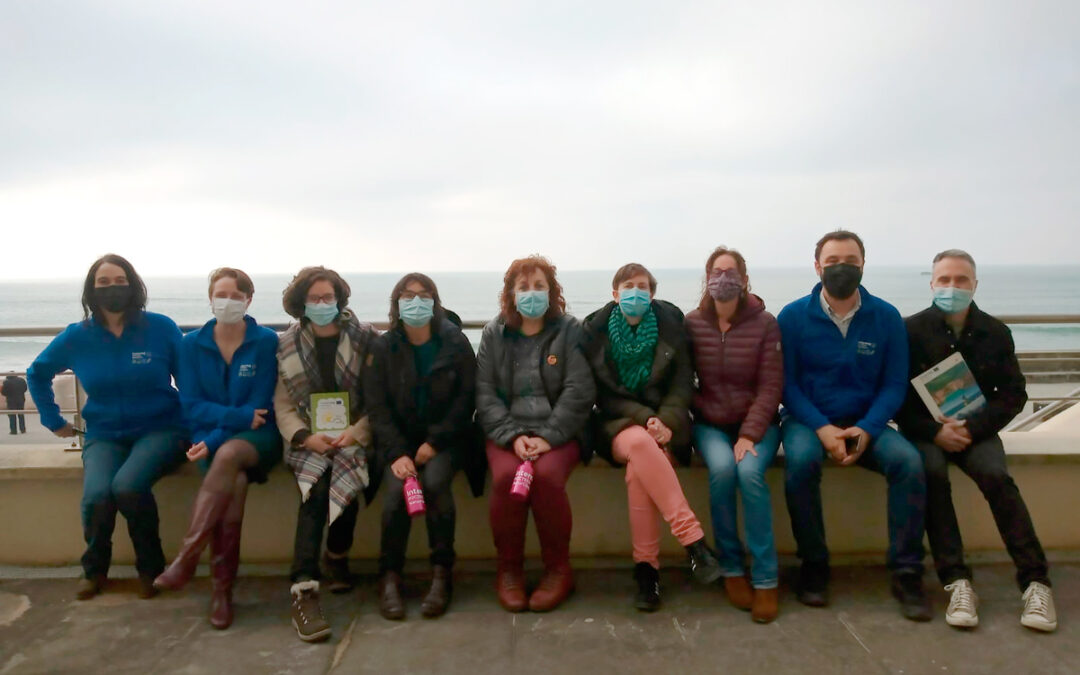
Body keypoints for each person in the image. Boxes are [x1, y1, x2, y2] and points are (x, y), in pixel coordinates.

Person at [898, 249, 1056, 632]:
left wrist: (972, 428)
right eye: (945, 280)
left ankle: (1036, 582)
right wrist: (935, 431)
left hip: (978, 430)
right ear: (932, 283)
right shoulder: (909, 331)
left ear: (975, 285)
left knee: (997, 478)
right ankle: (957, 581)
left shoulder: (996, 332)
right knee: (932, 475)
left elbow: (1014, 394)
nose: (952, 287)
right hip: (927, 432)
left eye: (961, 280)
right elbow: (895, 396)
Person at [777, 230, 930, 620]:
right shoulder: (792, 317)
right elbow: (787, 385)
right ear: (817, 267)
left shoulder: (887, 316)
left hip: (868, 423)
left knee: (910, 464)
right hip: (807, 422)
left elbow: (894, 383)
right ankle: (814, 566)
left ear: (863, 265)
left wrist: (868, 428)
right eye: (832, 262)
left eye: (850, 261)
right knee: (799, 465)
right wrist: (822, 429)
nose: (841, 268)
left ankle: (907, 571)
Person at [26, 254, 188, 600]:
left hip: (162, 429)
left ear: (133, 285)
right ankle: (95, 571)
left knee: (128, 486)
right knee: (97, 496)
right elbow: (37, 373)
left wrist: (201, 426)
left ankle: (151, 569)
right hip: (103, 434)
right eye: (104, 282)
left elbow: (189, 381)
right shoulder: (76, 337)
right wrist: (52, 419)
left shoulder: (161, 328)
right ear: (91, 290)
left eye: (120, 281)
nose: (113, 288)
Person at [582, 263, 721, 613]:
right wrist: (647, 419)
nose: (635, 292)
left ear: (652, 293)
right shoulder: (594, 331)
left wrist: (667, 422)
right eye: (628, 286)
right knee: (642, 445)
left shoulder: (672, 326)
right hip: (616, 423)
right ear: (614, 294)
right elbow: (603, 395)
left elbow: (681, 384)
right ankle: (693, 539)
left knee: (638, 472)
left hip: (667, 424)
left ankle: (647, 572)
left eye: (642, 286)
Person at [154, 268, 282, 630]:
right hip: (207, 438)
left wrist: (212, 440)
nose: (226, 301)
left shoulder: (267, 341)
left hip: (253, 442)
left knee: (227, 455)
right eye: (220, 294)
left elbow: (260, 411)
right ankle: (221, 592)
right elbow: (191, 404)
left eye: (235, 295)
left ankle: (187, 558)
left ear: (248, 300)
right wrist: (224, 426)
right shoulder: (190, 344)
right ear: (210, 298)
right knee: (234, 484)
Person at [476, 255, 595, 613]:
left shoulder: (569, 330)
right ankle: (509, 570)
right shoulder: (494, 334)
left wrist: (548, 436)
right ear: (511, 294)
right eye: (523, 287)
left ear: (551, 291)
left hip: (559, 433)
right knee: (506, 478)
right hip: (507, 434)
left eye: (539, 286)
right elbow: (485, 394)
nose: (531, 293)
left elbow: (579, 389)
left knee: (545, 477)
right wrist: (513, 436)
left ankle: (558, 570)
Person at [365, 273, 481, 620]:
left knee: (435, 484)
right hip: (397, 445)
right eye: (408, 296)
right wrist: (398, 453)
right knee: (395, 495)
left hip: (447, 440)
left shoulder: (456, 343)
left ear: (435, 301)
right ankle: (389, 576)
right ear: (397, 304)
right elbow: (377, 406)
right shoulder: (383, 347)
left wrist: (435, 442)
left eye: (423, 295)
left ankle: (442, 574)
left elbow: (466, 400)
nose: (416, 302)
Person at [274, 266, 379, 642]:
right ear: (301, 303)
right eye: (314, 298)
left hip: (356, 435)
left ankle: (336, 556)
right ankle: (304, 587)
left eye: (327, 297)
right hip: (309, 440)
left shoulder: (366, 339)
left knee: (348, 484)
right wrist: (304, 437)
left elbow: (378, 396)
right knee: (315, 491)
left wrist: (356, 432)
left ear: (339, 299)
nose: (322, 304)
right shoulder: (286, 345)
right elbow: (282, 404)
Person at [685, 247, 783, 623]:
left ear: (744, 279)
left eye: (731, 272)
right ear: (707, 277)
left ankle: (766, 578)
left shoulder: (765, 323)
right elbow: (682, 376)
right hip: (710, 424)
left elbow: (771, 386)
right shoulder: (693, 322)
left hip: (757, 426)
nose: (723, 278)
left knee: (750, 474)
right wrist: (698, 405)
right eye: (716, 271)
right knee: (723, 471)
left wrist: (749, 434)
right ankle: (731, 568)